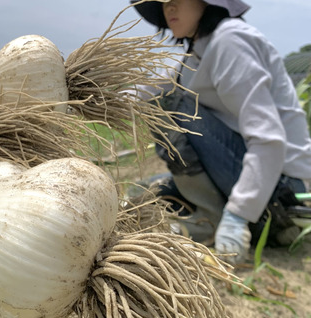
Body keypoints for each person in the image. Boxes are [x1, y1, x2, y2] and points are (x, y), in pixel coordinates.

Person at [130, 0, 311, 264]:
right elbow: (152, 88)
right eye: (162, 2)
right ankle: (233, 217)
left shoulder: (231, 40)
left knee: (174, 104)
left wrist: (237, 215)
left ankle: (212, 219)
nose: (168, 8)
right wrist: (98, 98)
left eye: (176, 0)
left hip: (282, 189)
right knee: (152, 191)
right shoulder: (197, 53)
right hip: (250, 175)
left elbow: (269, 140)